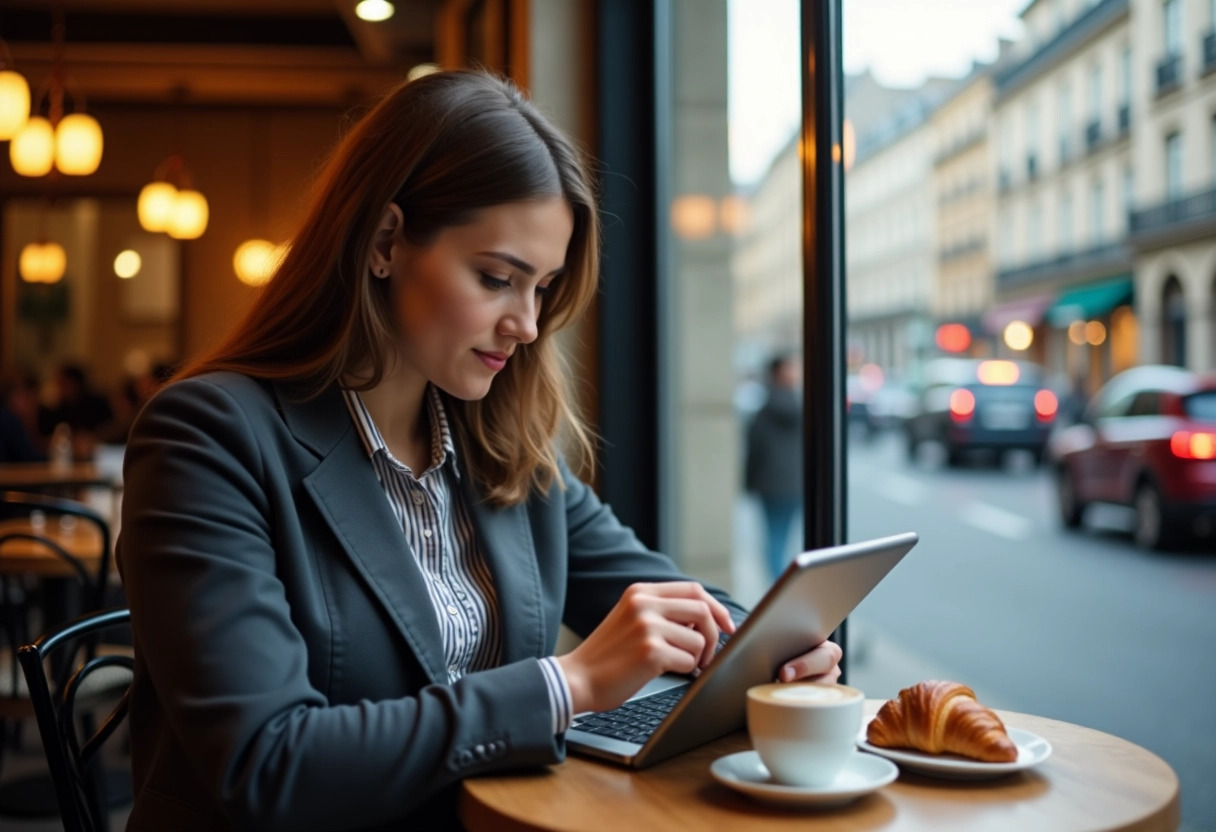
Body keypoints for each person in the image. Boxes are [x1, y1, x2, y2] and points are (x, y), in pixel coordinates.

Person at [118, 70, 841, 832]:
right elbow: (269, 764)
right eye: (498, 279)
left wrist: (765, 650)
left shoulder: (501, 449)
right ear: (386, 242)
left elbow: (677, 601)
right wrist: (566, 685)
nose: (527, 325)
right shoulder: (208, 437)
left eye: (543, 290)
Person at [745, 352, 804, 581]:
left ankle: (776, 590)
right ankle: (783, 590)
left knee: (774, 541)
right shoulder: (802, 408)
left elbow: (754, 452)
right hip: (796, 484)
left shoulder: (763, 410)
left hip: (770, 486)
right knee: (787, 540)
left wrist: (749, 484)